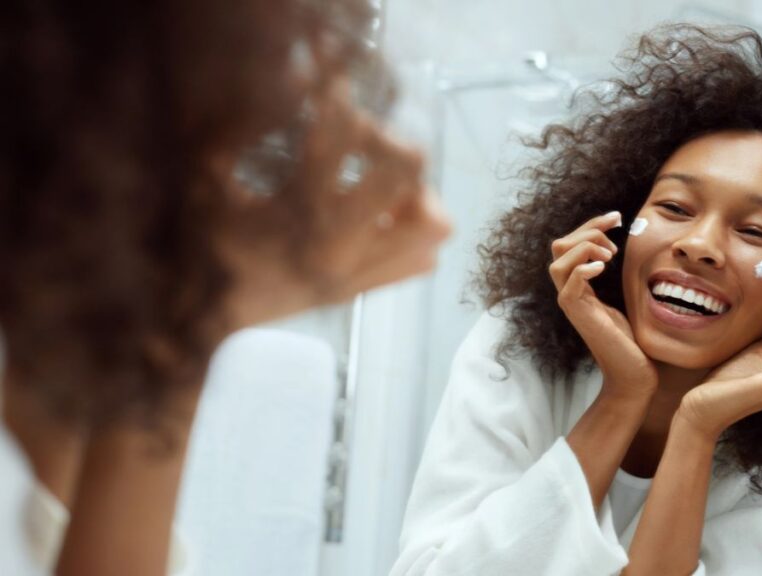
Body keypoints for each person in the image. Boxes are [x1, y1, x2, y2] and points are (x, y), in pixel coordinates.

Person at [391, 24, 762, 576]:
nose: (699, 245)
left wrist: (698, 426)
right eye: (675, 208)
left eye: (755, 232)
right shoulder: (515, 347)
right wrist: (623, 395)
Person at [1, 0, 450, 574]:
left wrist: (185, 323)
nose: (226, 188)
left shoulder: (41, 337)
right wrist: (187, 327)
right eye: (217, 141)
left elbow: (48, 538)